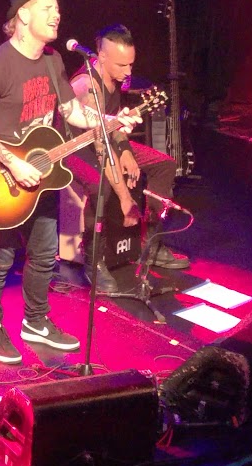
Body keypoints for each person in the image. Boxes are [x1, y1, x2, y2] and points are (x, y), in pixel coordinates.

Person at [0, 0, 140, 365]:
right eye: (46, 8)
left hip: (44, 176)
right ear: (22, 15)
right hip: (1, 179)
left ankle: (36, 322)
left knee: (44, 256)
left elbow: (72, 113)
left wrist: (111, 120)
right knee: (0, 259)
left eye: (57, 8)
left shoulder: (53, 60)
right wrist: (12, 161)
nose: (56, 14)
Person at [68, 24, 190, 292]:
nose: (129, 72)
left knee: (164, 165)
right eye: (122, 65)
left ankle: (151, 243)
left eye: (131, 64)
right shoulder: (88, 86)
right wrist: (125, 200)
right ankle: (93, 259)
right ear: (101, 57)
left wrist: (125, 151)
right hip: (75, 149)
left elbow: (113, 127)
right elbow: (100, 149)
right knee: (100, 184)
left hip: (106, 142)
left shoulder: (117, 80)